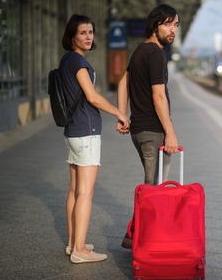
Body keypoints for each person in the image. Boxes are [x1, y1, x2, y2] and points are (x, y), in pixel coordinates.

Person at [60, 14, 130, 263]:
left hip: (72, 132)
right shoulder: (78, 62)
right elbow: (92, 97)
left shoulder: (67, 61)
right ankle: (80, 249)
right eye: (83, 33)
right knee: (85, 194)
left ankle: (72, 243)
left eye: (91, 32)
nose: (88, 37)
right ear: (72, 36)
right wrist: (120, 113)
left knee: (74, 190)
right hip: (86, 131)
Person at [116, 4, 180, 249]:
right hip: (153, 132)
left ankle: (136, 235)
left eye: (175, 25)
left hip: (140, 130)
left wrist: (124, 115)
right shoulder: (155, 54)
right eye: (167, 24)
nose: (172, 29)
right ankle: (140, 238)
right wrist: (170, 132)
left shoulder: (140, 51)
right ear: (155, 25)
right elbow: (159, 97)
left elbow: (123, 81)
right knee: (154, 188)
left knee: (153, 186)